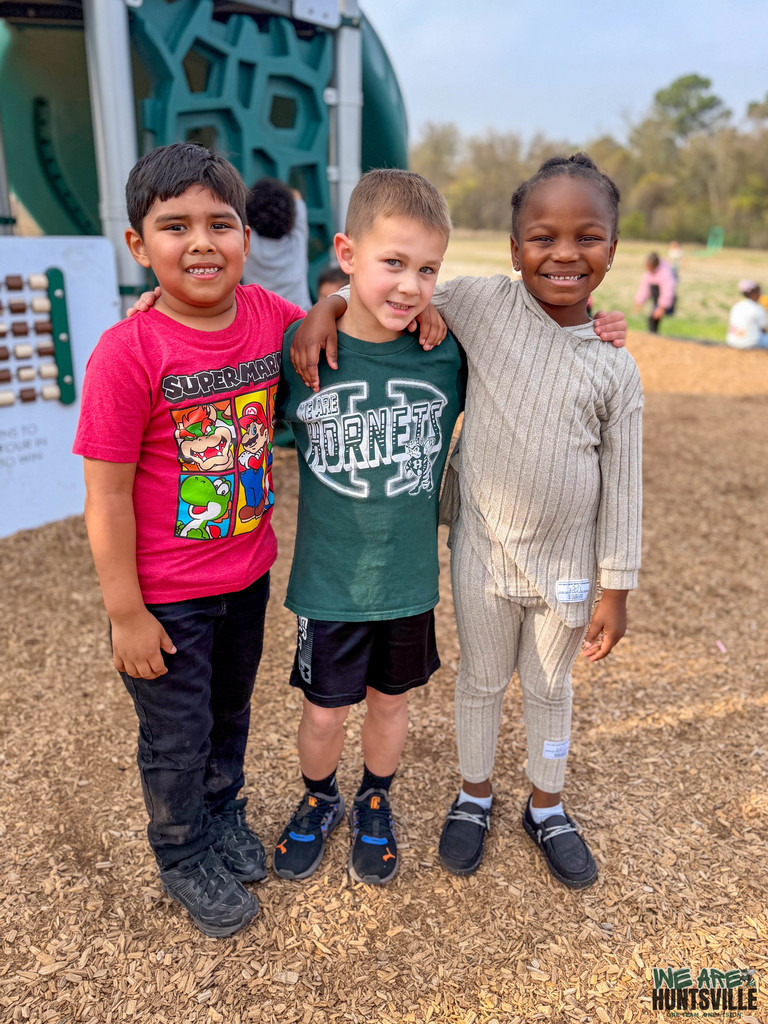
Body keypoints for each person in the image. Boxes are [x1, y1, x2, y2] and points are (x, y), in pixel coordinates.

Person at [292, 153, 639, 891]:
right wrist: (323, 306)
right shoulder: (474, 306)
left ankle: (545, 807)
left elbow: (625, 481)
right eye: (543, 237)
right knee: (473, 682)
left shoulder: (604, 362)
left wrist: (620, 584)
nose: (566, 253)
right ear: (514, 251)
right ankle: (466, 795)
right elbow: (377, 291)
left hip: (563, 563)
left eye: (589, 237)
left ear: (614, 247)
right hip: (473, 553)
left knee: (550, 686)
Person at [73, 143, 305, 937]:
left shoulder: (271, 319)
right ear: (139, 247)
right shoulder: (127, 351)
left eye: (221, 224)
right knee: (176, 735)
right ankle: (180, 852)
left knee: (230, 713)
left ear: (247, 239)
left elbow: (334, 320)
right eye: (175, 227)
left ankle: (220, 813)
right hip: (166, 597)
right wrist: (124, 611)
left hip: (246, 578)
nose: (202, 242)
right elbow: (103, 494)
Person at [271, 168, 466, 887]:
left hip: (409, 579)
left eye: (427, 269)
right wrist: (327, 305)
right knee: (324, 716)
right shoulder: (303, 351)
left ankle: (374, 794)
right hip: (328, 584)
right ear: (348, 254)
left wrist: (598, 328)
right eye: (393, 263)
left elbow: (529, 339)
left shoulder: (444, 351)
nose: (411, 285)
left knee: (392, 704)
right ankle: (319, 798)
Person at [243, 177, 311, 310]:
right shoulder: (297, 236)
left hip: (263, 318)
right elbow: (296, 195)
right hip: (300, 319)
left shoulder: (246, 242)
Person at [633, 252, 676, 333]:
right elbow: (644, 287)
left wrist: (662, 307)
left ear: (655, 265)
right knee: (652, 319)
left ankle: (654, 338)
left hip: (664, 299)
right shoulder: (649, 272)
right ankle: (653, 336)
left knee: (653, 319)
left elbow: (667, 291)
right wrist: (639, 301)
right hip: (656, 296)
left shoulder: (665, 273)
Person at [726, 279, 768, 350]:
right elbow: (763, 330)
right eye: (759, 292)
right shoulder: (758, 309)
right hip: (750, 343)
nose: (761, 294)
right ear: (753, 293)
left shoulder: (737, 306)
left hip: (732, 340)